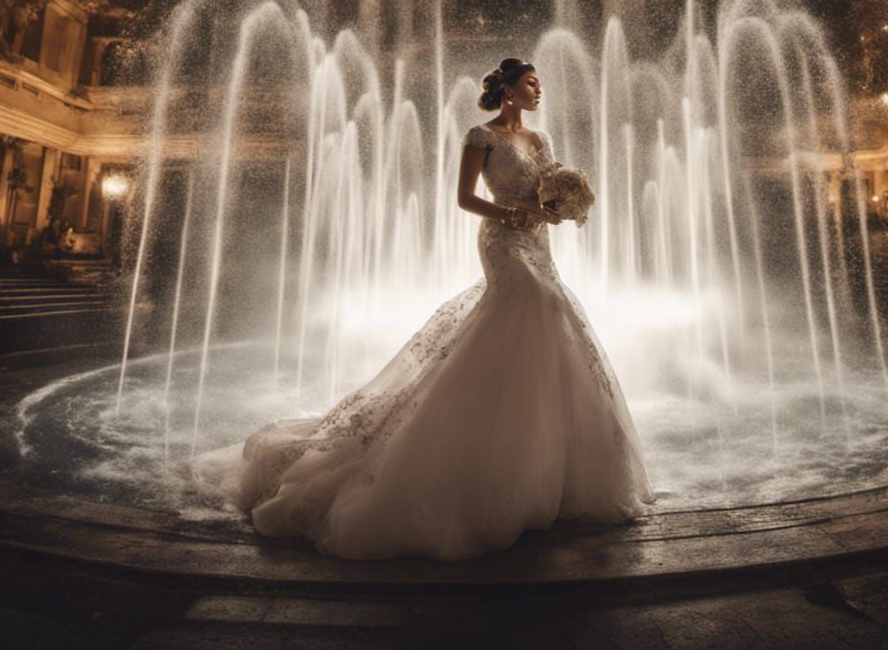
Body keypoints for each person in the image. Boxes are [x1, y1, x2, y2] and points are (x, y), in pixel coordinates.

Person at [192, 57, 654, 560]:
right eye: (530, 83)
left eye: (540, 83)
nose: (539, 90)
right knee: (535, 306)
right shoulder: (481, 137)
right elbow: (464, 198)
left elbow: (550, 186)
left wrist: (562, 207)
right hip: (503, 241)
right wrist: (515, 213)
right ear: (508, 89)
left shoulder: (541, 142)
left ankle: (544, 465)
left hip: (540, 243)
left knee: (549, 317)